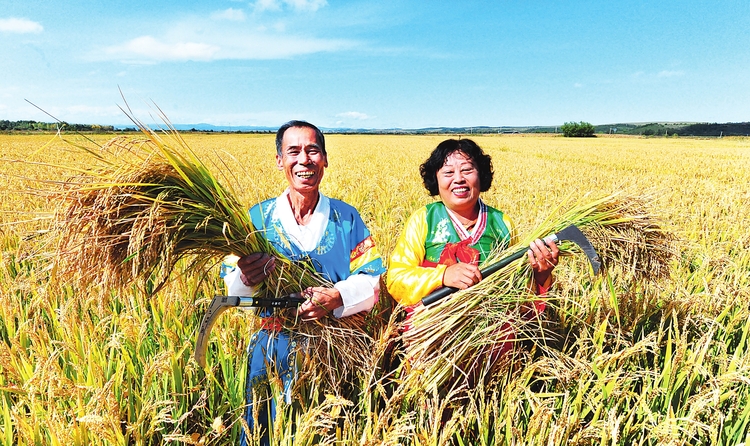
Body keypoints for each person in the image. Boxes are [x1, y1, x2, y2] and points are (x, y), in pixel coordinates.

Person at [221, 120, 385, 446]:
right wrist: (245, 276)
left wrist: (337, 296)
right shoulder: (257, 220)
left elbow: (373, 280)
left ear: (325, 159)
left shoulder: (346, 217)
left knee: (328, 433)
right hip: (271, 348)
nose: (304, 160)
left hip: (334, 352)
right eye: (293, 151)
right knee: (260, 433)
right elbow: (231, 287)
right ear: (280, 160)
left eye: (313, 151)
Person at [386, 138, 559, 363]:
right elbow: (396, 278)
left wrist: (541, 275)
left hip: (491, 338)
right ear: (435, 180)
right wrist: (443, 275)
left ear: (481, 175)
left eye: (467, 170)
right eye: (448, 172)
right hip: (434, 336)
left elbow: (518, 290)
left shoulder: (502, 223)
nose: (459, 179)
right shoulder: (424, 220)